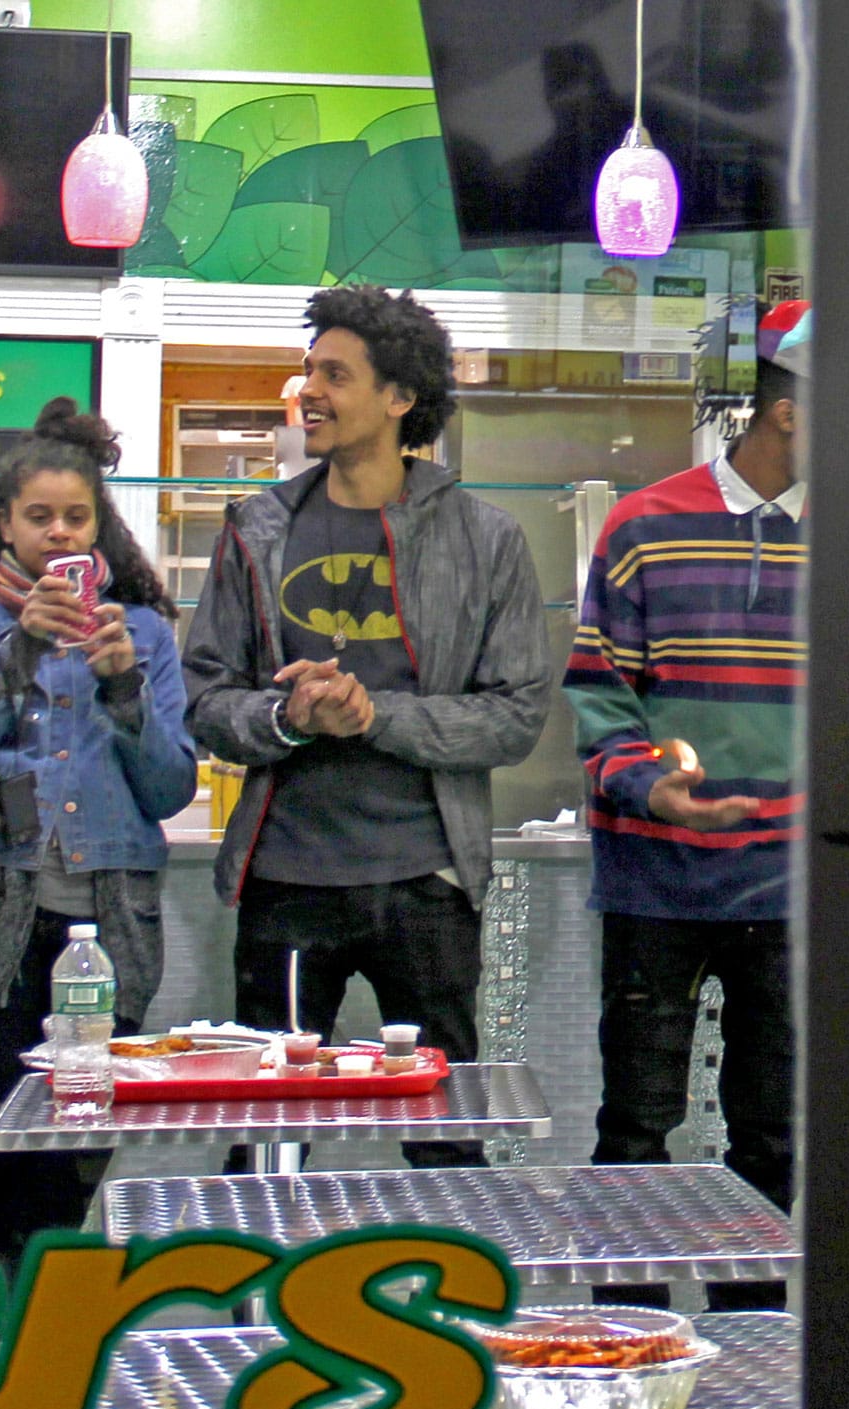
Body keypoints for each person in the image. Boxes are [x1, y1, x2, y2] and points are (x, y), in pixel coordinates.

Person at [184, 286, 551, 1170]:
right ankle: (257, 1310)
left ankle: (455, 1305)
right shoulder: (257, 529)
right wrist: (289, 716)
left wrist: (375, 715)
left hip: (425, 887)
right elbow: (203, 699)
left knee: (449, 1143)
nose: (308, 390)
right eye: (309, 369)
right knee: (268, 1145)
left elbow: (515, 715)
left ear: (398, 399)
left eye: (334, 374)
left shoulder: (487, 540)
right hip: (286, 882)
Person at [566, 303, 849, 1310]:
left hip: (786, 889)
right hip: (655, 877)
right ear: (787, 415)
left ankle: (755, 1361)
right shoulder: (643, 523)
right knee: (638, 1128)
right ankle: (624, 1347)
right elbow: (598, 690)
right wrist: (652, 784)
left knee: (770, 1135)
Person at [0, 399, 196, 1266]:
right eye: (39, 517)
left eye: (77, 516)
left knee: (76, 1156)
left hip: (113, 924)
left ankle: (44, 1348)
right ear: (3, 523)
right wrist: (12, 659)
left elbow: (171, 786)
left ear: (99, 526)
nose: (59, 534)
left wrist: (124, 688)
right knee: (2, 1153)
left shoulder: (141, 632)